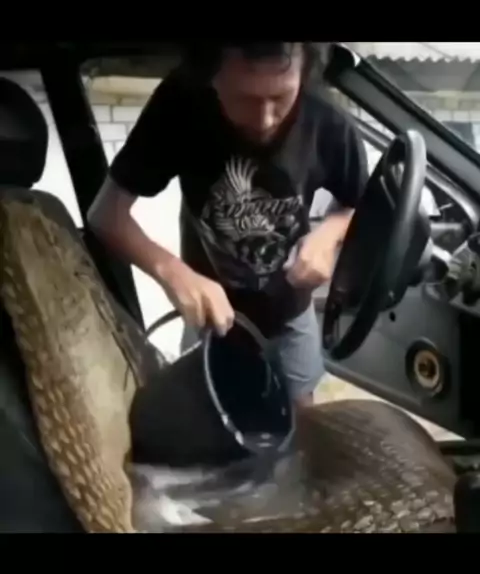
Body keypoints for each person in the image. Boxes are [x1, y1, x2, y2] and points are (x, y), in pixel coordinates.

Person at [88, 42, 368, 408]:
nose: (266, 120)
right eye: (245, 99)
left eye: (281, 97)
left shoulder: (327, 118)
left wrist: (330, 234)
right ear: (209, 78)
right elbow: (104, 214)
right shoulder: (181, 103)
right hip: (209, 315)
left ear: (304, 73)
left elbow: (359, 206)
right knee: (203, 417)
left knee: (302, 419)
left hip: (290, 312)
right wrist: (172, 273)